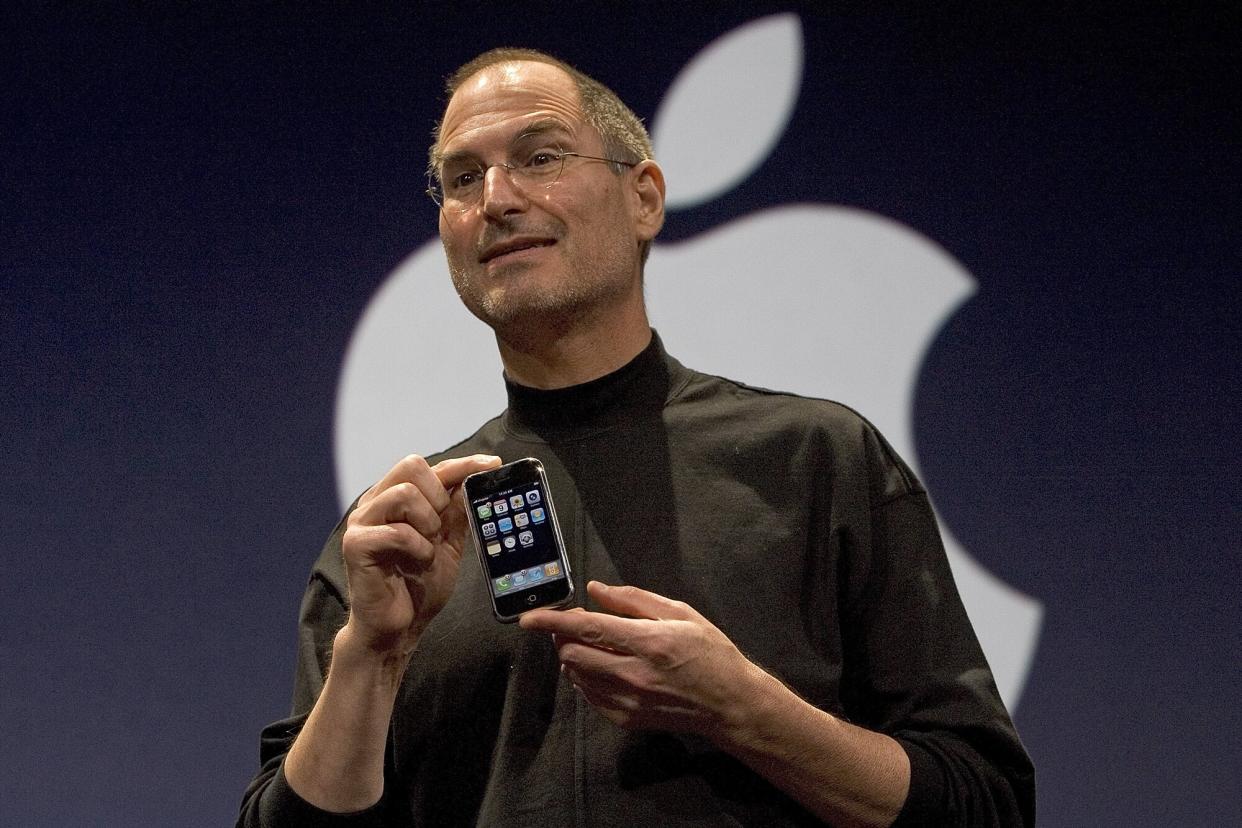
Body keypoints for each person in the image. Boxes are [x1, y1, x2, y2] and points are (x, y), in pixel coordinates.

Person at [238, 48, 1035, 827]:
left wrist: (745, 709)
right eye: (462, 178)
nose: (498, 198)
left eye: (540, 155)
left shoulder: (817, 458)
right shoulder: (400, 538)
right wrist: (372, 658)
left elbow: (985, 802)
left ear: (643, 197)